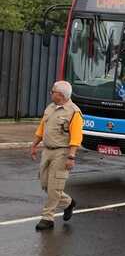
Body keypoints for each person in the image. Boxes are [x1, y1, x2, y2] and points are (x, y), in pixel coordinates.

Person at [30, 81, 83, 231]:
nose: (51, 93)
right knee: (45, 184)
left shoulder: (74, 112)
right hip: (47, 151)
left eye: (52, 91)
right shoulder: (50, 108)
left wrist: (71, 157)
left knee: (55, 187)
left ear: (61, 95)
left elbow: (76, 137)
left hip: (62, 152)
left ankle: (47, 218)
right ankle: (68, 203)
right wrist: (34, 145)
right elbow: (42, 128)